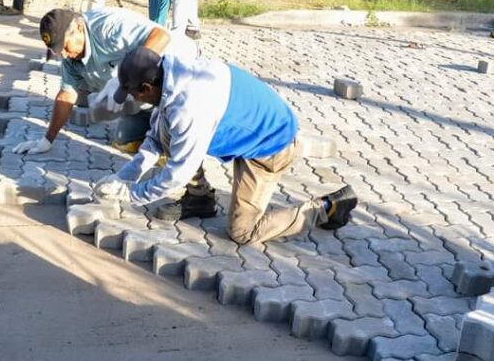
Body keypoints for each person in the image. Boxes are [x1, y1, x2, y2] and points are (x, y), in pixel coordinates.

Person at [93, 48, 358, 243]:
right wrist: (123, 177)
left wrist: (130, 194)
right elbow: (155, 140)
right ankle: (200, 199)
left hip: (271, 144)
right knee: (166, 133)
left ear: (146, 87)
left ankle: (327, 208)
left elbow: (176, 175)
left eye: (133, 94)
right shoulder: (174, 74)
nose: (135, 100)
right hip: (248, 124)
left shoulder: (187, 108)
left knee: (243, 232)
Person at [16, 8, 212, 221]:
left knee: (173, 134)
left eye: (64, 47)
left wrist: (126, 75)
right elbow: (66, 94)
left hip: (178, 74)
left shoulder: (108, 28)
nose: (63, 54)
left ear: (78, 29)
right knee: (126, 138)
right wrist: (47, 140)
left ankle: (199, 194)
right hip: (140, 92)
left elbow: (161, 36)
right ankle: (155, 125)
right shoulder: (70, 59)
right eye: (57, 50)